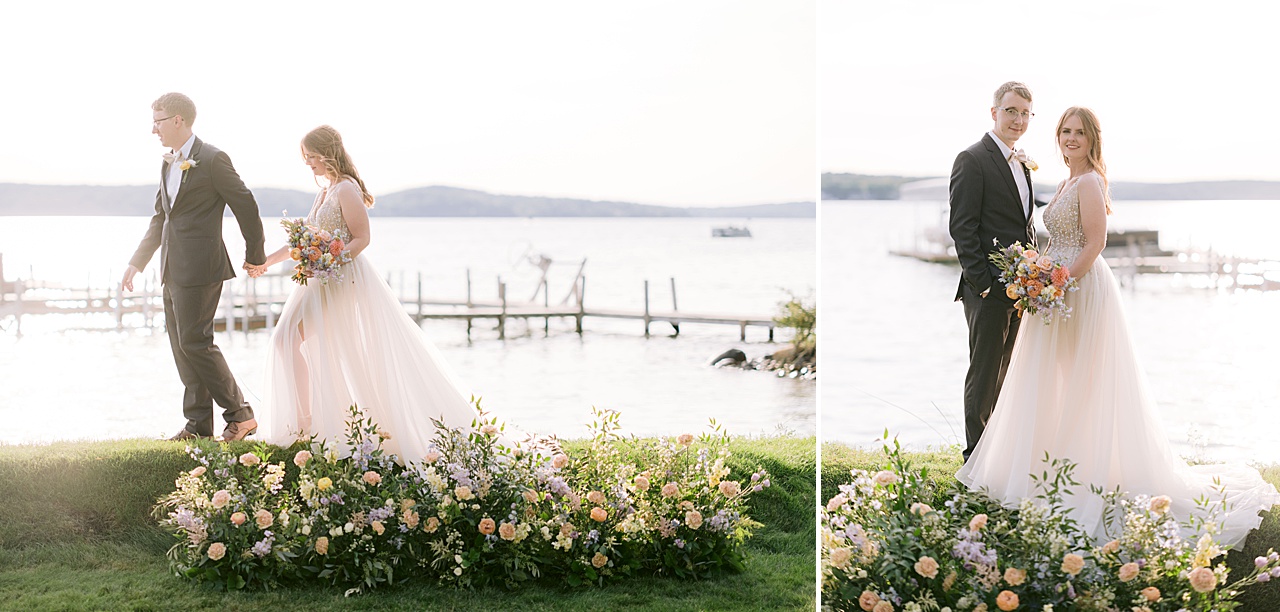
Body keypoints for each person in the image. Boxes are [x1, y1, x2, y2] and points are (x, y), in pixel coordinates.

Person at [956, 107, 1278, 547]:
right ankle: (1050, 464)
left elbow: (1096, 242)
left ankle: (1090, 467)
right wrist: (1039, 274)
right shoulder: (1067, 180)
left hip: (1081, 289)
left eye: (1080, 133)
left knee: (1085, 381)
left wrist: (1061, 282)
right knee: (1050, 381)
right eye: (1065, 132)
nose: (1071, 139)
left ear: (1092, 139)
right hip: (1052, 288)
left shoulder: (1089, 181)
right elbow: (1054, 237)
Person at [246, 126, 478, 462]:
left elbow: (362, 237)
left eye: (311, 157)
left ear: (327, 153)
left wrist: (329, 262)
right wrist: (266, 262)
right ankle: (307, 420)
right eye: (305, 158)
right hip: (317, 279)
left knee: (297, 339)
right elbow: (304, 239)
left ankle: (310, 422)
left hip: (340, 279)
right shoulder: (323, 192)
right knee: (289, 339)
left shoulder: (346, 189)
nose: (308, 163)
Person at [122, 92, 266, 442]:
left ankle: (240, 415)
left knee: (196, 342)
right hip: (170, 268)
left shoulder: (213, 159)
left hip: (202, 268)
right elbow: (162, 217)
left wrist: (255, 254)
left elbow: (245, 203)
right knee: (182, 345)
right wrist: (137, 261)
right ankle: (198, 427)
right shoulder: (168, 162)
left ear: (178, 120)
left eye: (157, 121)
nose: (153, 129)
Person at [949, 81, 1038, 462]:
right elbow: (962, 227)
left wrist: (1033, 277)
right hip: (987, 290)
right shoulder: (972, 159)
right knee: (983, 374)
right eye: (1011, 111)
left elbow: (1023, 226)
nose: (1018, 119)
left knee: (1005, 371)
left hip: (1019, 289)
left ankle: (995, 455)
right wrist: (983, 284)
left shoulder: (1021, 161)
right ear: (994, 112)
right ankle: (974, 457)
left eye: (1025, 113)